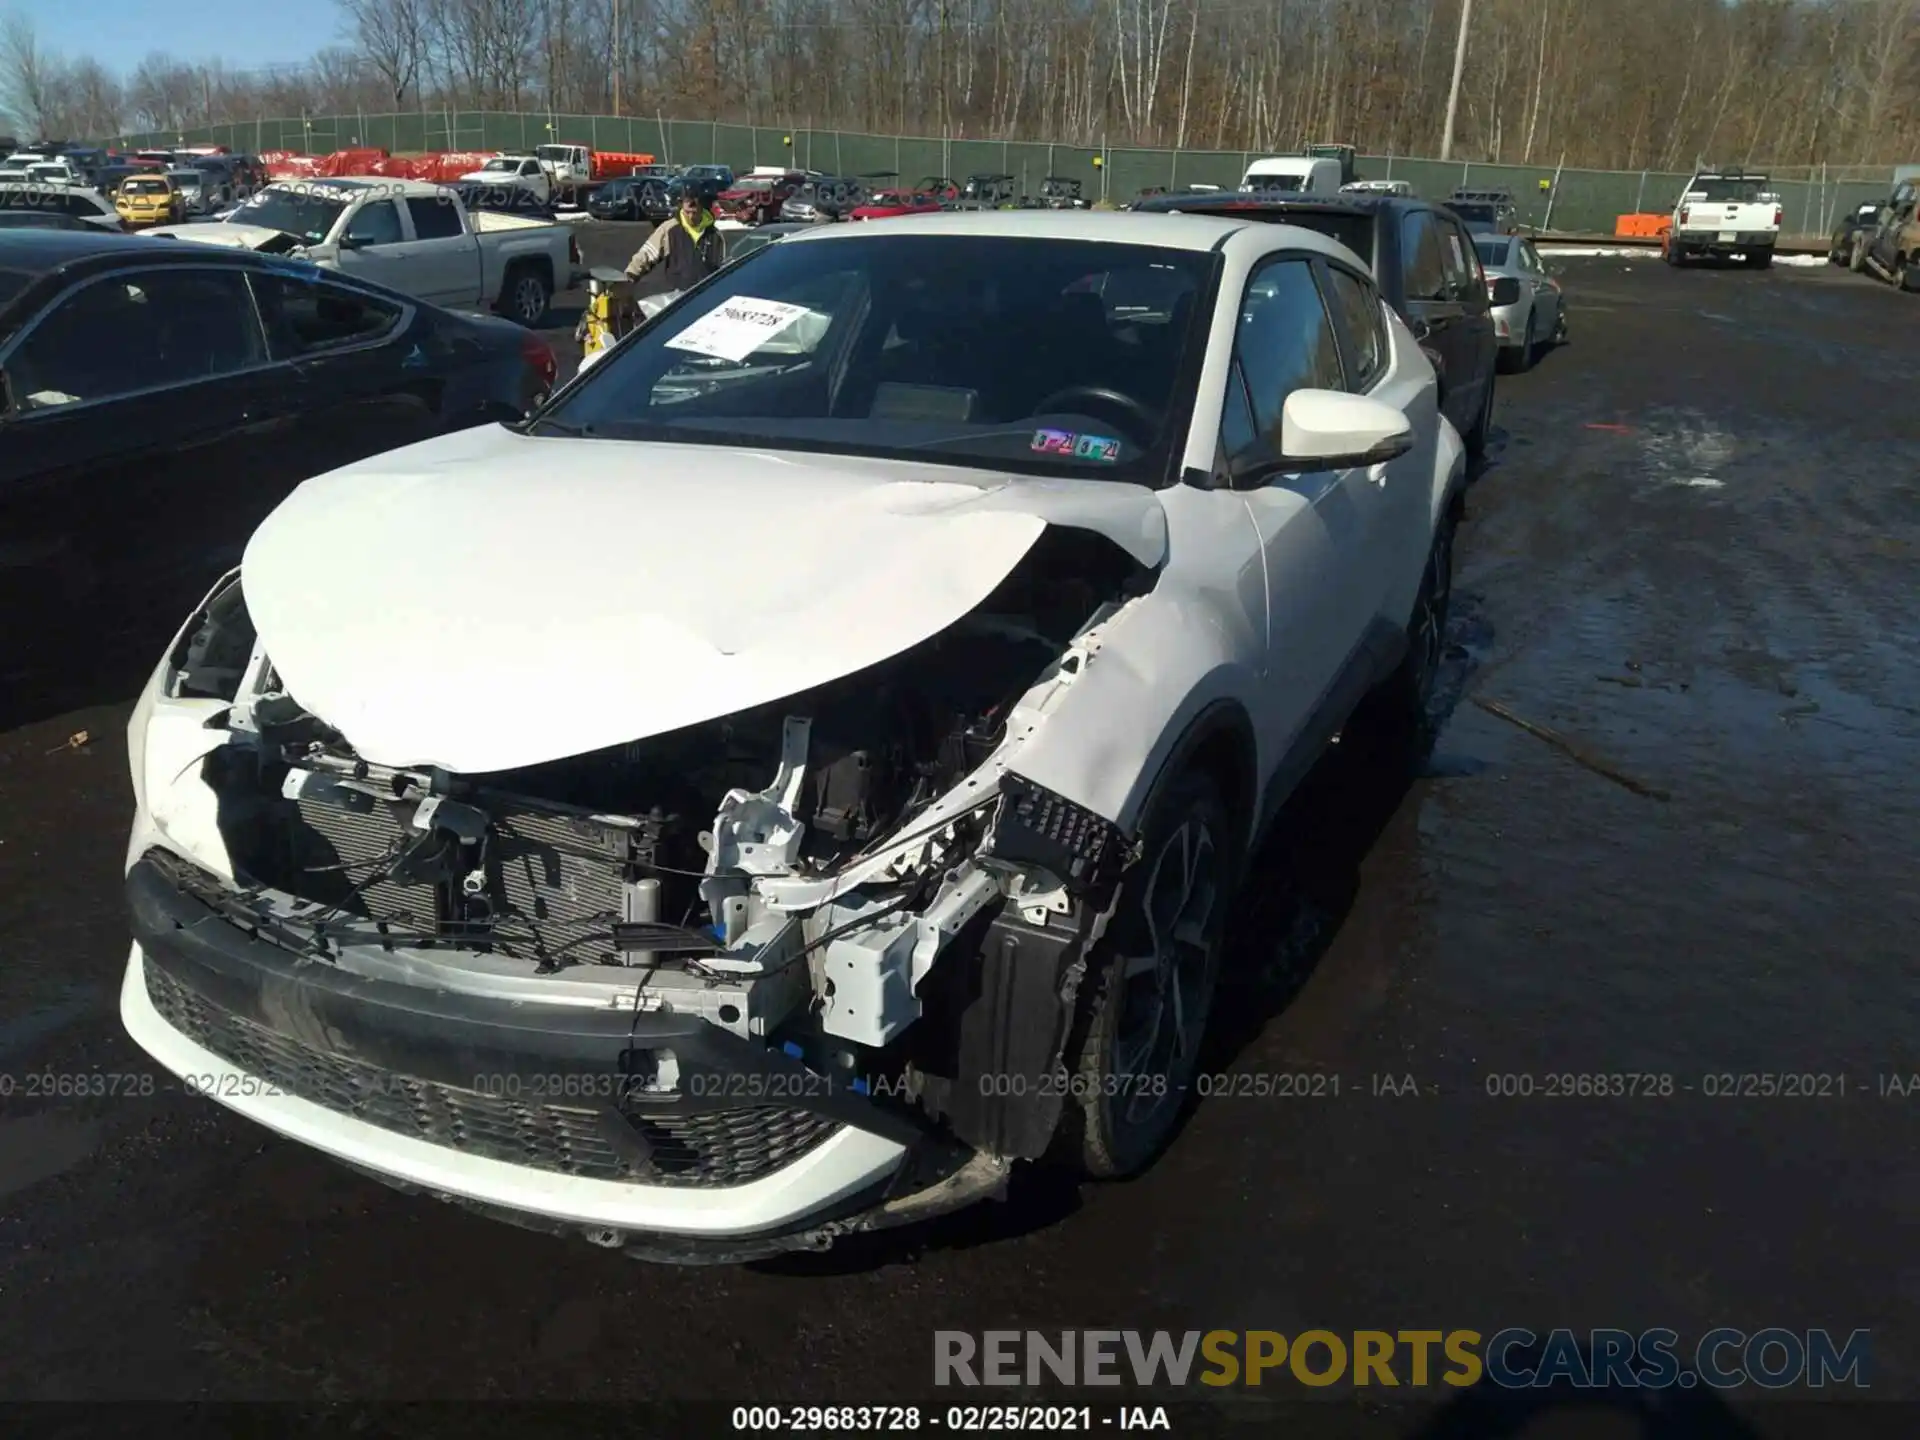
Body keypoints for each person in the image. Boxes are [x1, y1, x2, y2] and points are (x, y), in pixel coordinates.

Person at [624, 179, 728, 294]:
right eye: (687, 212)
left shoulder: (714, 235)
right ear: (681, 204)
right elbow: (647, 254)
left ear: (702, 206)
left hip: (705, 297)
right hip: (676, 299)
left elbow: (722, 268)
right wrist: (630, 275)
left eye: (694, 212)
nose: (691, 216)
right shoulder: (669, 229)